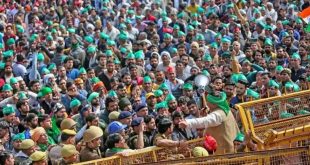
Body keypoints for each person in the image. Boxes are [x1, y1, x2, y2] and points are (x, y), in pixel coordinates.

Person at [179, 86, 239, 154]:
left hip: (225, 152)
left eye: (208, 102)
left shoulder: (219, 114)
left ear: (213, 104)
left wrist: (187, 122)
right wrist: (204, 115)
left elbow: (206, 121)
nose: (207, 103)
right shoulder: (225, 110)